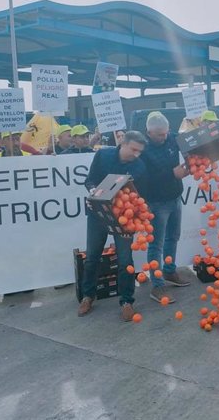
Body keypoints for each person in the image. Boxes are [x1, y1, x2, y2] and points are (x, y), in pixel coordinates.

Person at [78, 131, 148, 321]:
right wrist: (94, 192)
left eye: (140, 151)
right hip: (97, 215)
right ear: (122, 143)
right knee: (92, 256)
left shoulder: (139, 166)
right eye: (133, 149)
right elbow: (89, 180)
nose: (136, 154)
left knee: (125, 260)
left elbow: (137, 196)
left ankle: (127, 301)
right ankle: (87, 296)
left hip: (123, 218)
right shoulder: (103, 155)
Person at [141, 111, 191, 304]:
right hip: (156, 202)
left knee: (173, 237)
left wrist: (191, 156)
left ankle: (170, 271)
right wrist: (172, 174)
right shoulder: (142, 149)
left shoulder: (171, 138)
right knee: (156, 244)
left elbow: (188, 144)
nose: (164, 137)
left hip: (175, 197)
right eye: (160, 134)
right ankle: (157, 285)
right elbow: (145, 179)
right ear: (149, 132)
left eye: (166, 133)